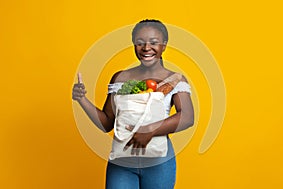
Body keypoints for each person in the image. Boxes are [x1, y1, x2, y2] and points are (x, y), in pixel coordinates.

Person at [72, 19, 194, 189]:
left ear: (164, 45)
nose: (146, 48)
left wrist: (149, 130)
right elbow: (107, 122)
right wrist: (82, 100)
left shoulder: (174, 80)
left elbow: (187, 117)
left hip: (158, 162)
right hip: (122, 161)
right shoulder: (121, 79)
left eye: (153, 42)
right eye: (139, 43)